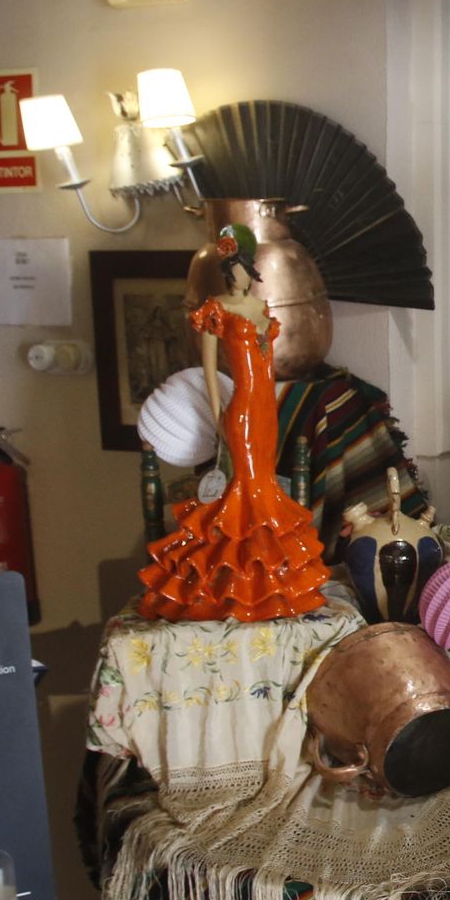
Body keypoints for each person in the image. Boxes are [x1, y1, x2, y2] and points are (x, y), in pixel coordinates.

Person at [137, 224, 330, 623]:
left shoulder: (261, 307)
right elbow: (210, 370)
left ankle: (265, 585)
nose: (239, 275)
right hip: (240, 408)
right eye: (234, 268)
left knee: (265, 485)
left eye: (244, 267)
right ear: (228, 270)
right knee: (245, 488)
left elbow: (269, 366)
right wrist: (217, 415)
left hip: (266, 409)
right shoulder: (215, 308)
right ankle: (227, 586)